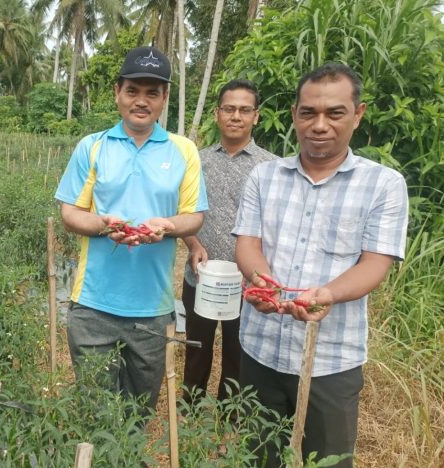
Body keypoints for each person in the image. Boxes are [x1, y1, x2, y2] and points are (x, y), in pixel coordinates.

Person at [232, 63, 408, 467]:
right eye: (308, 113)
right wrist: (263, 284)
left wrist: (328, 293)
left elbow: (374, 263)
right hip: (260, 350)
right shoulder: (264, 176)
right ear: (295, 114)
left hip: (332, 360)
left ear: (358, 114)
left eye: (335, 113)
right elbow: (248, 243)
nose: (320, 125)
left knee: (327, 460)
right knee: (257, 456)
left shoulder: (383, 184)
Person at [54, 46, 208, 413]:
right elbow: (70, 213)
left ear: (164, 97)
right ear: (117, 92)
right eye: (133, 91)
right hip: (93, 305)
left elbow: (193, 217)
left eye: (152, 93)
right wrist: (103, 225)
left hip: (152, 307)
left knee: (139, 409)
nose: (141, 101)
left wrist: (168, 225)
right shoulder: (92, 147)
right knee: (95, 408)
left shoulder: (183, 150)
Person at [181, 79, 278, 407]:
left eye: (244, 110)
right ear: (216, 114)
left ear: (256, 116)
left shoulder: (271, 167)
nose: (236, 116)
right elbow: (179, 210)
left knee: (239, 356)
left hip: (247, 284)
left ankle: (230, 423)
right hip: (201, 276)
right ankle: (190, 415)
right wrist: (193, 244)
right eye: (229, 109)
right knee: (196, 349)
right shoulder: (196, 161)